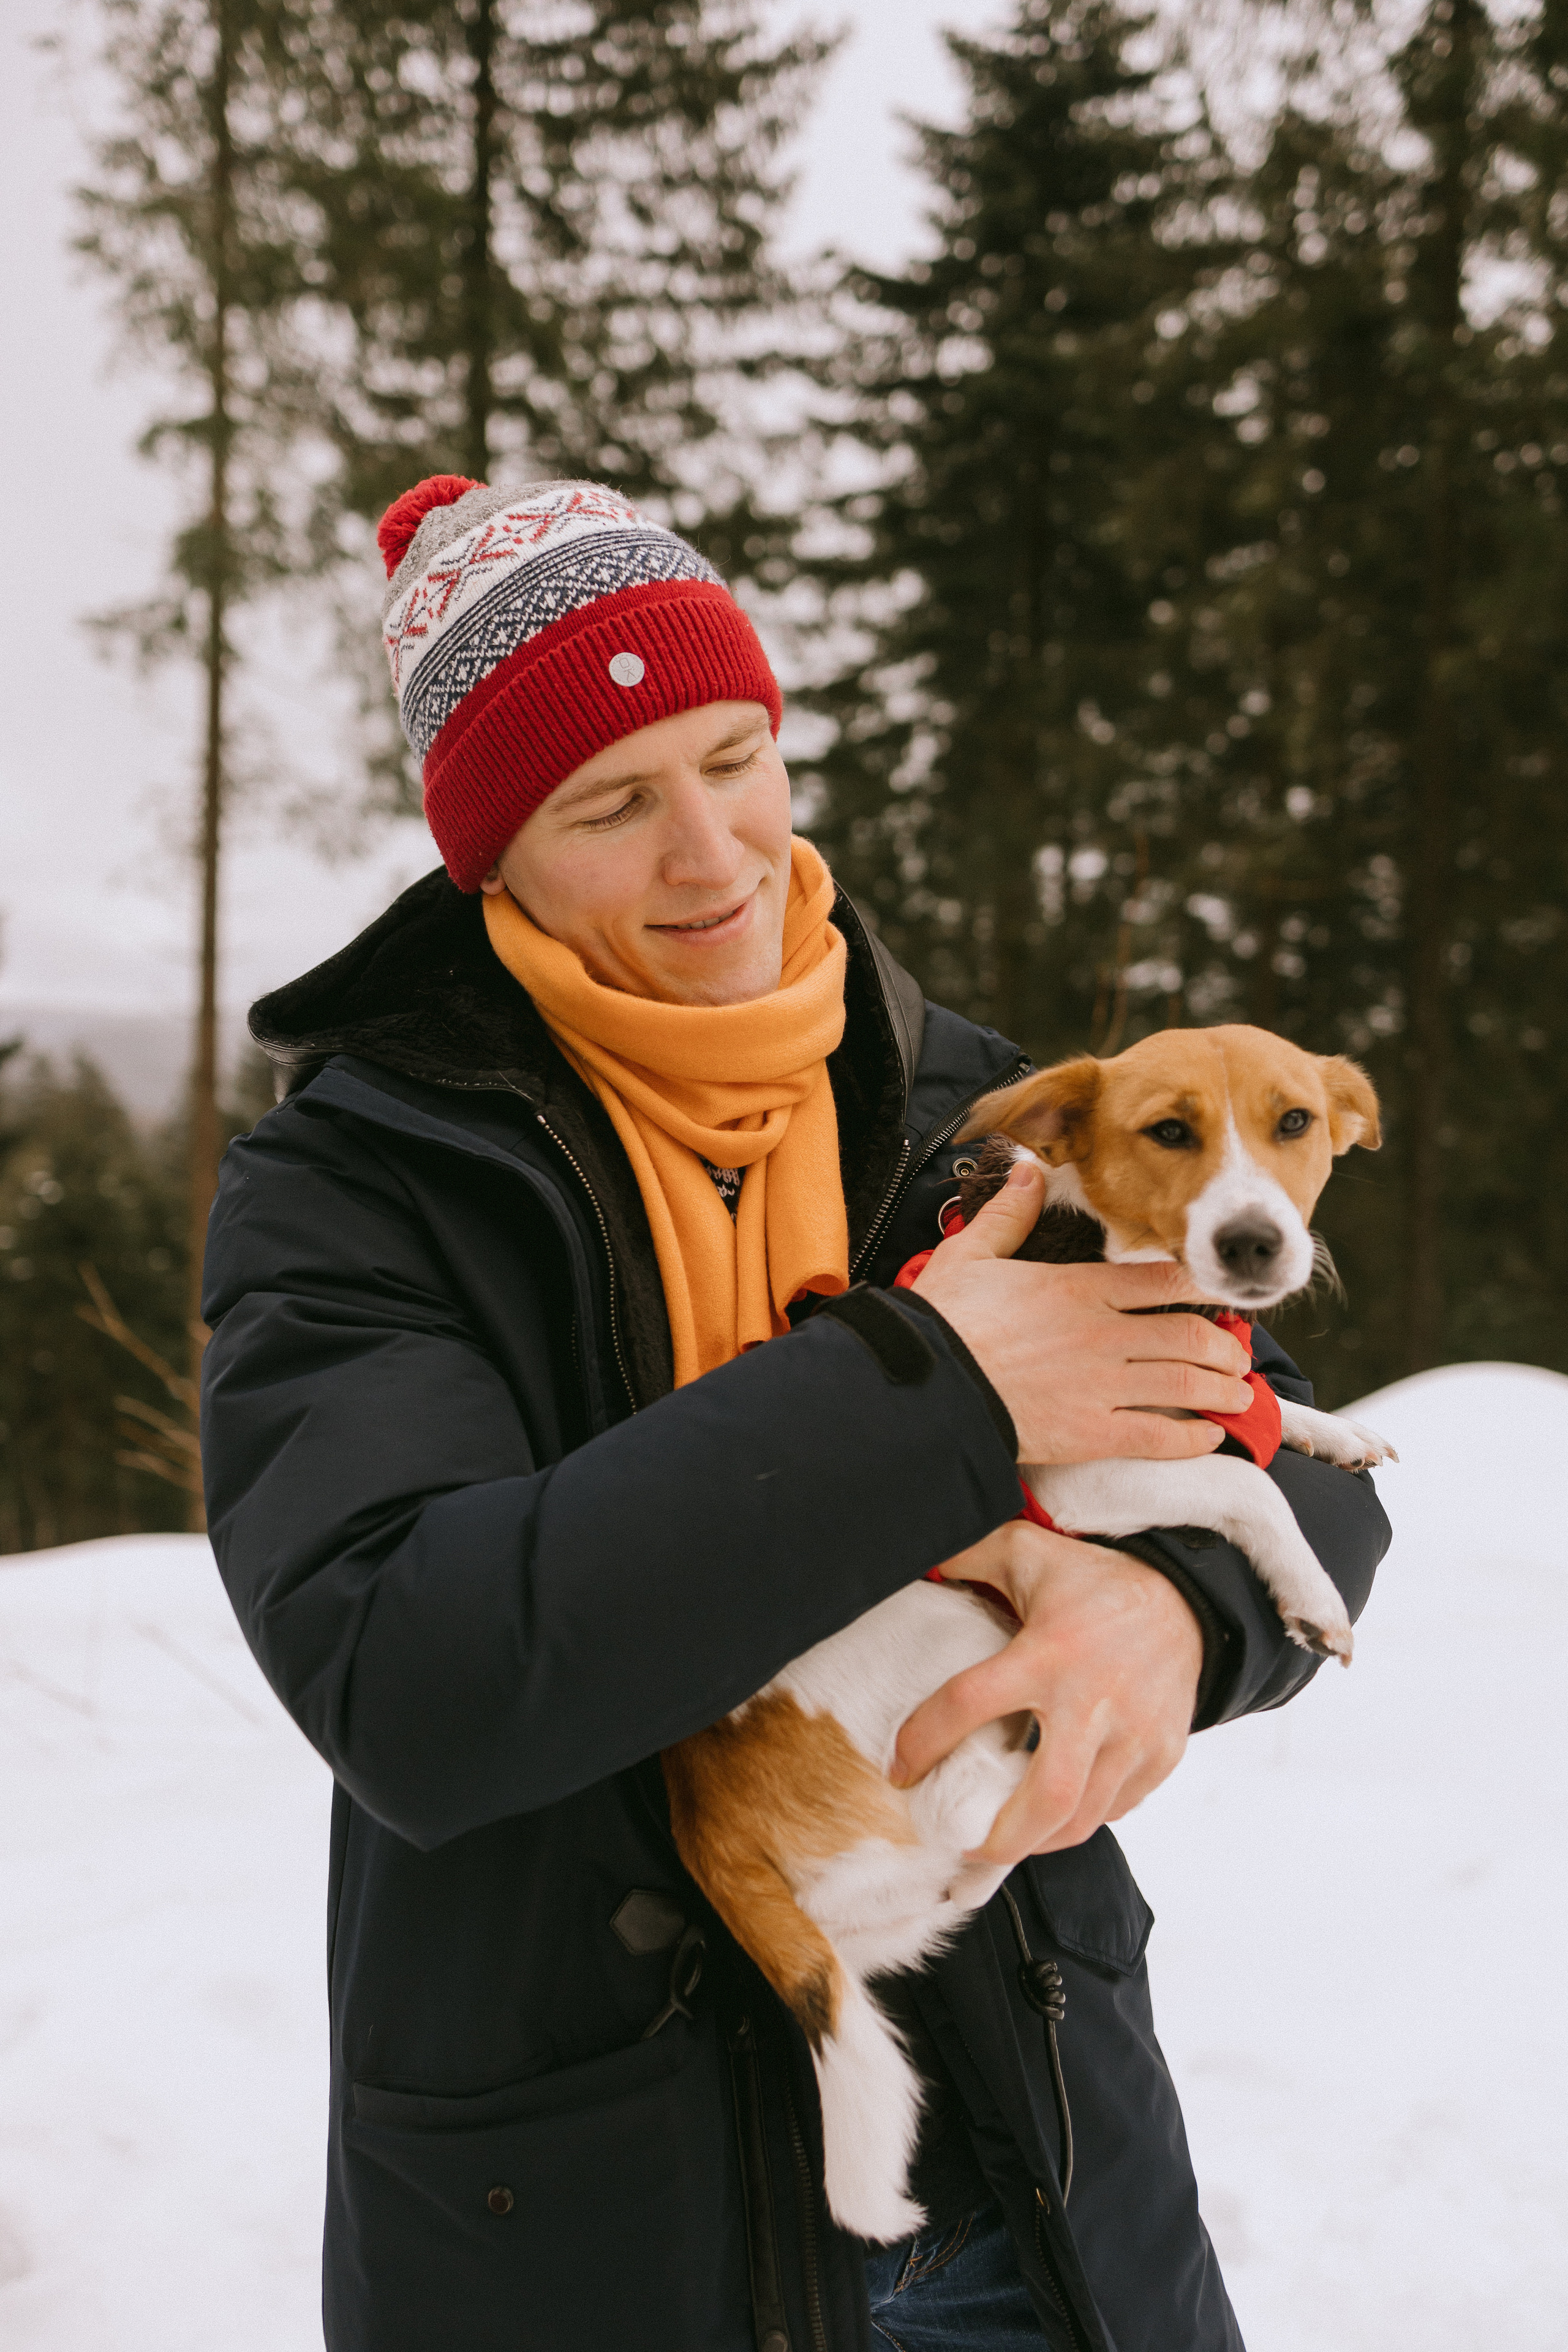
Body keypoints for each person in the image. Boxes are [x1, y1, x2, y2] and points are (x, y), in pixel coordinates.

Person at [201, 475, 1389, 2352]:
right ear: (489, 856)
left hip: (1036, 2172)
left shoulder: (945, 1100)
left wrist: (1186, 1609)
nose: (716, 853)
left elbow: (1279, 1429)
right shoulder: (358, 1189)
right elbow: (408, 1674)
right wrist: (935, 1385)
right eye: (616, 803)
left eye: (738, 758)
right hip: (590, 2220)